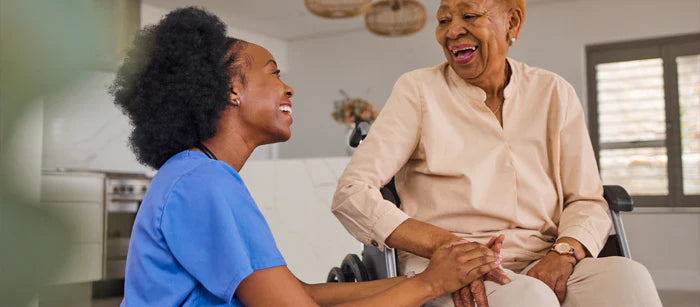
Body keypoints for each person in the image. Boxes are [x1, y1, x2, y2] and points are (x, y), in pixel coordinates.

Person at [112, 7, 503, 307]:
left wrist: (433, 274)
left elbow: (298, 292)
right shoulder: (204, 182)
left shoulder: (196, 174)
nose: (289, 88)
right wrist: (431, 284)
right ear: (232, 88)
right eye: (274, 72)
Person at [331, 0, 662, 306]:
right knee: (529, 298)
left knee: (628, 279)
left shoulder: (553, 92)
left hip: (546, 254)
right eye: (443, 20)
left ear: (512, 23)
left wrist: (565, 252)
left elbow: (586, 198)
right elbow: (351, 193)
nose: (452, 30)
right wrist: (447, 248)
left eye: (469, 15)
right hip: (448, 265)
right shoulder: (417, 91)